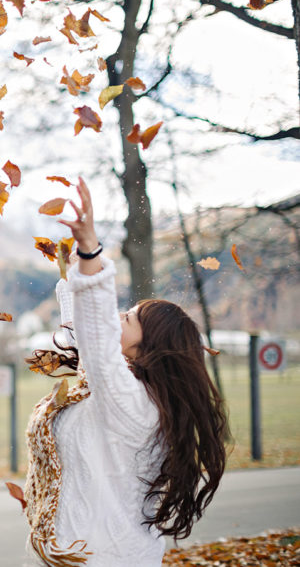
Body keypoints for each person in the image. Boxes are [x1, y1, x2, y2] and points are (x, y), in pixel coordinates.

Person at [20, 177, 228, 566]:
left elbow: (97, 344)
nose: (120, 316)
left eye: (130, 318)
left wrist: (91, 252)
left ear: (149, 349)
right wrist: (74, 278)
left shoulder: (133, 404)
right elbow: (89, 342)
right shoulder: (128, 391)